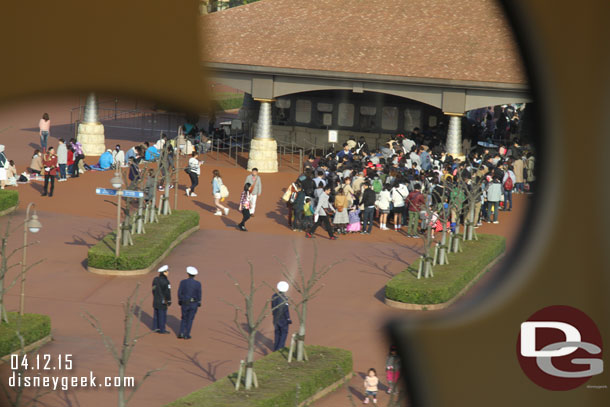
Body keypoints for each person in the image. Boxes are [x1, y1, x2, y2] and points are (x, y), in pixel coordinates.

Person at [177, 266, 202, 340]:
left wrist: (180, 300)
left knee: (183, 318)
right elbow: (199, 294)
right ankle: (186, 334)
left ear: (188, 273)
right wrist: (199, 301)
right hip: (193, 303)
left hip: (185, 302)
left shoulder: (183, 282)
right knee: (190, 319)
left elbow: (179, 292)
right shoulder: (198, 284)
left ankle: (181, 332)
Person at [271, 281, 291, 351]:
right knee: (283, 333)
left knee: (277, 333)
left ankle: (276, 348)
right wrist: (288, 318)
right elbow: (285, 310)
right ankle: (280, 349)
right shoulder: (284, 298)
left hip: (275, 318)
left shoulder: (274, 296)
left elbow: (272, 307)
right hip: (283, 319)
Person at [152, 265, 171, 334]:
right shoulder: (166, 281)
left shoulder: (155, 279)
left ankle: (155, 328)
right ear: (164, 272)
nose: (168, 272)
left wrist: (155, 296)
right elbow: (167, 293)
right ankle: (162, 329)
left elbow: (153, 290)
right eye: (167, 271)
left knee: (156, 315)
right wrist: (168, 301)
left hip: (156, 300)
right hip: (163, 301)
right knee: (162, 315)